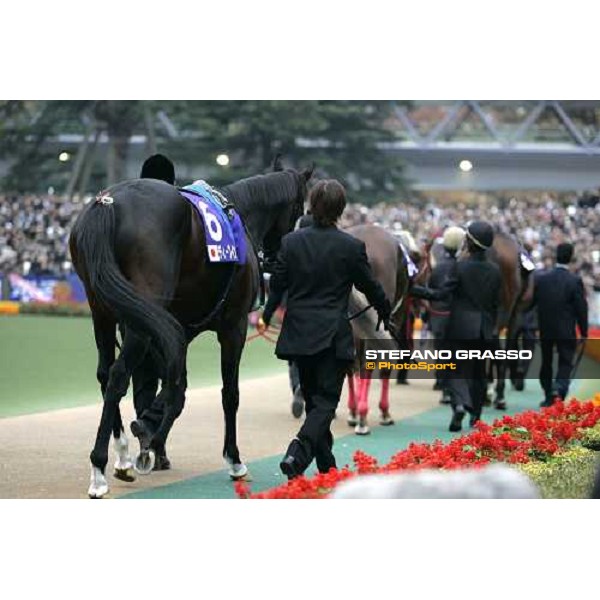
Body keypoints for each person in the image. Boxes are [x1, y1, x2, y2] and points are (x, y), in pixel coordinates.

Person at [257, 179, 391, 479]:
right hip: (332, 336)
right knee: (326, 405)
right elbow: (369, 286)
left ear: (311, 205)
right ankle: (298, 450)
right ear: (341, 209)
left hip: (299, 334)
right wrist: (385, 311)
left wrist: (266, 312)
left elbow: (277, 285)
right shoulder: (351, 246)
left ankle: (327, 467)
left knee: (315, 403)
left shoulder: (291, 242)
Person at [410, 221, 502, 432]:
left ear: (469, 242)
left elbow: (441, 295)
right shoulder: (495, 271)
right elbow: (496, 305)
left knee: (453, 370)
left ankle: (459, 405)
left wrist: (414, 290)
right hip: (484, 330)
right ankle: (476, 416)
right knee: (479, 374)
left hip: (459, 327)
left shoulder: (459, 267)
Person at [128, 154, 177, 470]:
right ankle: (361, 408)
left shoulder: (132, 218)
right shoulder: (354, 251)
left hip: (134, 314)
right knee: (362, 364)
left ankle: (360, 400)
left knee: (142, 377)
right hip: (356, 333)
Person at [530, 242, 588, 407]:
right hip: (566, 329)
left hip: (546, 328)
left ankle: (549, 394)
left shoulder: (542, 279)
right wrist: (583, 331)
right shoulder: (575, 281)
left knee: (546, 361)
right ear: (571, 258)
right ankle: (559, 388)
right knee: (565, 361)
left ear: (556, 255)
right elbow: (581, 308)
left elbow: (533, 304)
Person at [428, 226, 465, 402]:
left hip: (438, 314)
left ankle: (441, 382)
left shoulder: (439, 267)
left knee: (441, 351)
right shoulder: (462, 266)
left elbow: (432, 289)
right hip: (458, 316)